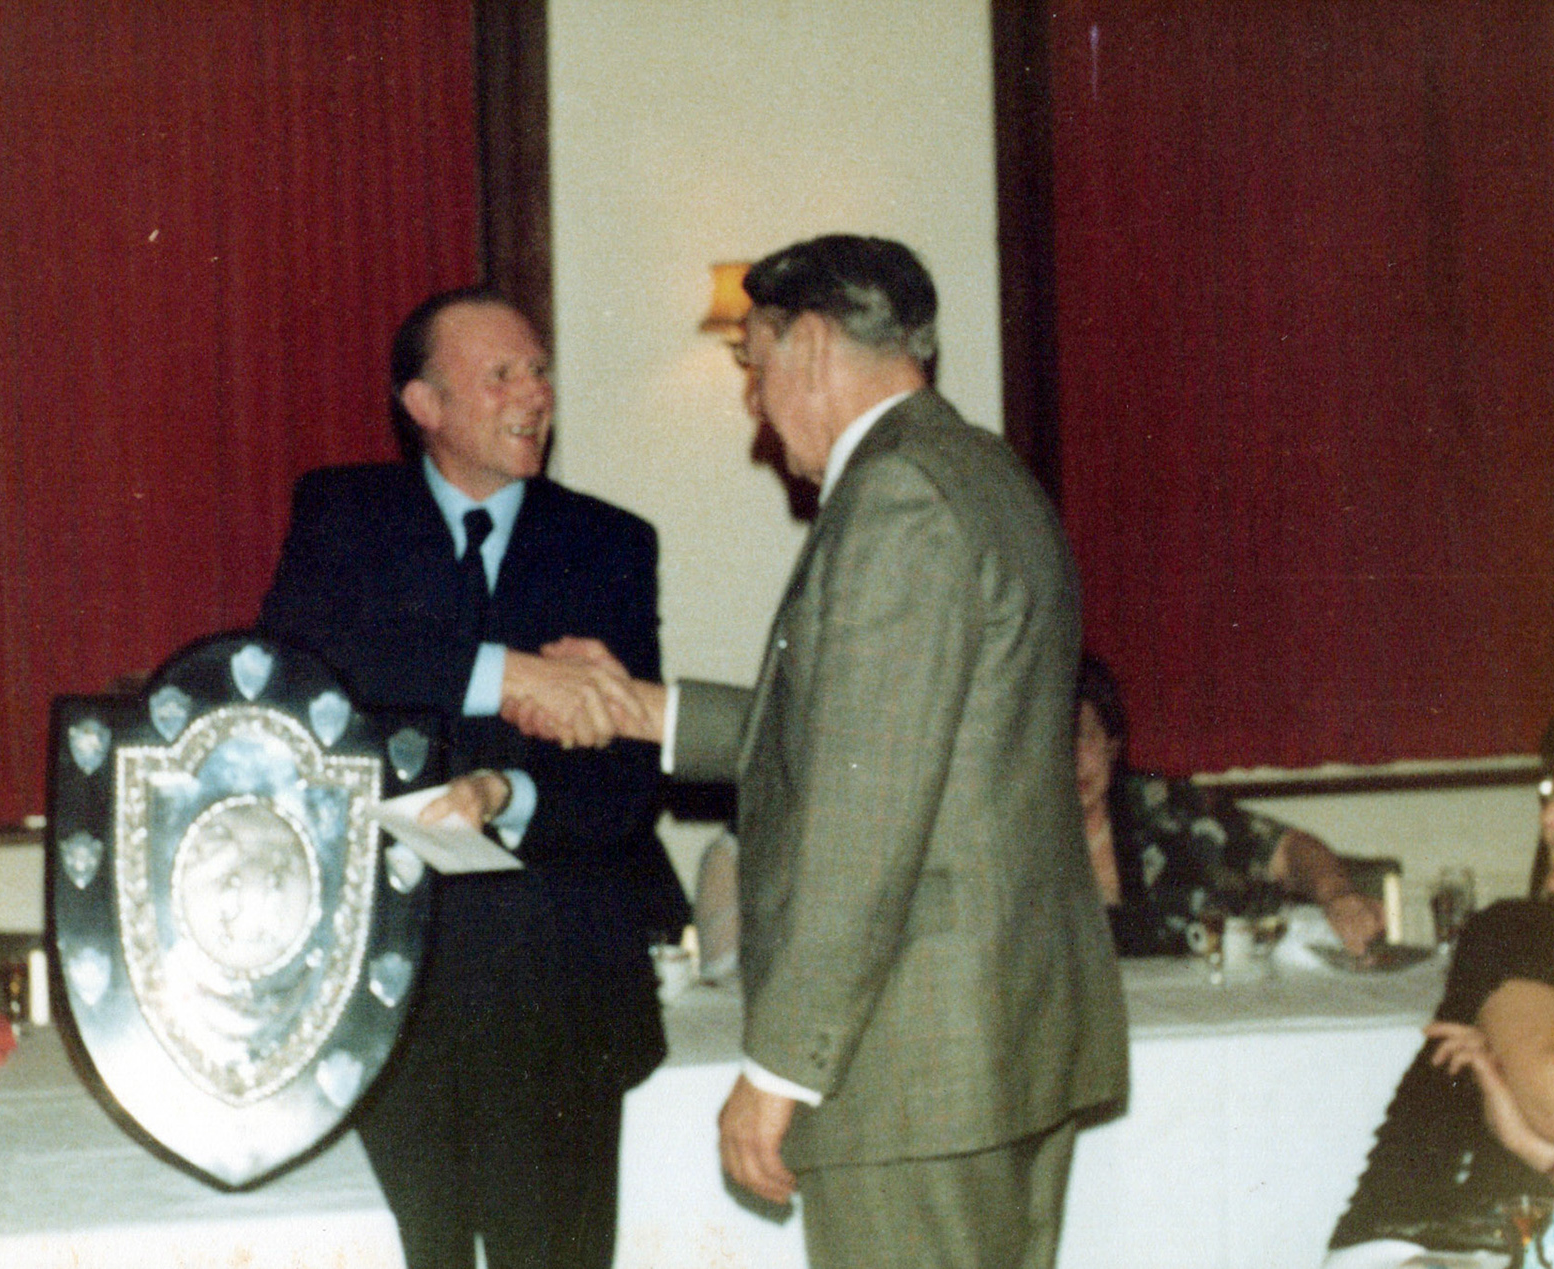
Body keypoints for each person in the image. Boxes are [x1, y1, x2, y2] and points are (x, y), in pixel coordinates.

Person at [515, 235, 1128, 1269]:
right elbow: (879, 733)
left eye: (752, 366)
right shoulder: (981, 474)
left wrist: (783, 1068)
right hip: (997, 1041)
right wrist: (643, 710)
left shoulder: (895, 499)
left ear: (805, 341)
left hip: (911, 1063)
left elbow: (865, 813)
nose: (754, 403)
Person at [257, 286, 688, 1269]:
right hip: (394, 998)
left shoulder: (611, 543)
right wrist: (509, 674)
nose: (533, 394)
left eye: (539, 370)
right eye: (501, 375)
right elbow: (305, 657)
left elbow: (624, 780)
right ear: (426, 407)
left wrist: (509, 794)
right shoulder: (344, 513)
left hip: (557, 999)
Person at [1324, 701, 1554, 1266]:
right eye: (1553, 794)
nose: (1550, 820)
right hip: (1433, 1239)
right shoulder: (1521, 932)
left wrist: (1550, 1161)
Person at [1074, 653, 1388, 957]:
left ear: (1111, 745)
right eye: (1054, 742)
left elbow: (1289, 849)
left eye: (1083, 736)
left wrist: (1338, 895)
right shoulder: (1025, 843)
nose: (1072, 759)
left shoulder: (1167, 808)